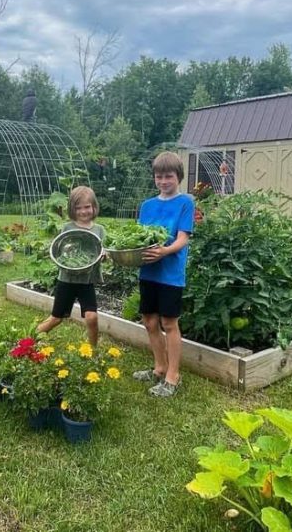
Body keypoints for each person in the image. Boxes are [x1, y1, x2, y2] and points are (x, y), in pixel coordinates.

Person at [133, 151, 195, 397]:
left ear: (178, 176)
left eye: (168, 176)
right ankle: (159, 368)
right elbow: (140, 239)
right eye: (159, 177)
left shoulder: (185, 203)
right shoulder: (147, 205)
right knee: (149, 321)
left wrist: (164, 251)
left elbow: (183, 239)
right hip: (148, 272)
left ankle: (173, 375)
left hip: (170, 274)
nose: (163, 181)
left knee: (169, 323)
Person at [37, 186, 103, 346]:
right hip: (67, 280)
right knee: (56, 318)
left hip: (86, 281)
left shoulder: (99, 230)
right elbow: (60, 251)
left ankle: (93, 350)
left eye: (87, 207)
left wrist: (104, 255)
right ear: (72, 209)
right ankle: (31, 338)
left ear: (94, 207)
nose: (83, 211)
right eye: (78, 208)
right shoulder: (68, 228)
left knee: (92, 317)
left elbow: (99, 252)